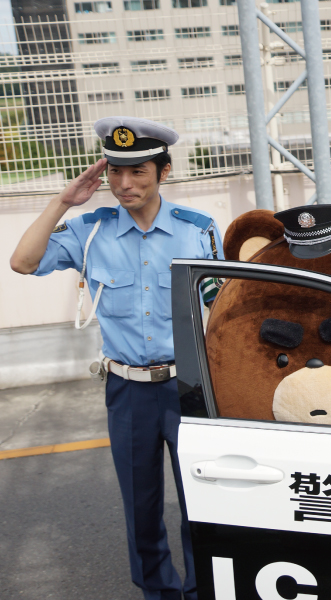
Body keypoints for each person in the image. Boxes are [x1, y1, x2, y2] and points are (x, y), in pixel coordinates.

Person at [10, 117, 224, 600]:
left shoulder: (198, 230)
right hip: (127, 391)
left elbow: (225, 305)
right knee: (141, 507)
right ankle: (158, 593)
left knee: (200, 502)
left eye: (139, 172)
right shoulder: (89, 231)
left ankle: (201, 590)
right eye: (115, 172)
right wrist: (63, 202)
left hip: (189, 385)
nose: (125, 184)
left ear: (163, 173)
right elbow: (22, 262)